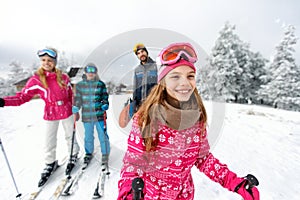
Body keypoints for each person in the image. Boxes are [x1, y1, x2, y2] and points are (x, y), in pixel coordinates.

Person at [117, 42, 260, 200]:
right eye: (175, 76)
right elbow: (132, 165)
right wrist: (127, 194)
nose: (184, 82)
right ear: (162, 82)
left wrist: (236, 183)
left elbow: (203, 158)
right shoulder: (145, 120)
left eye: (190, 76)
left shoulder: (196, 121)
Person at [0, 47, 80, 187]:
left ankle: (73, 154)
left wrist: (75, 109)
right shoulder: (36, 80)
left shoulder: (64, 77)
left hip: (66, 109)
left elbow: (70, 94)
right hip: (51, 111)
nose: (46, 63)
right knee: (49, 140)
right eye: (43, 60)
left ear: (55, 62)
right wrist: (4, 101)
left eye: (49, 60)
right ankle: (50, 163)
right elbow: (22, 97)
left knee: (69, 135)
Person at [72, 63, 110, 166]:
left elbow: (105, 97)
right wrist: (76, 106)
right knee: (88, 136)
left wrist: (105, 104)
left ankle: (105, 153)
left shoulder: (100, 84)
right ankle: (88, 153)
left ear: (95, 73)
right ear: (85, 72)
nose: (91, 73)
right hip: (87, 115)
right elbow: (78, 99)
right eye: (89, 71)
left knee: (102, 135)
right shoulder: (80, 85)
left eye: (93, 71)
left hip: (99, 115)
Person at [131, 43, 158, 116]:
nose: (141, 54)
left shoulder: (156, 66)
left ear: (146, 52)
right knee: (142, 126)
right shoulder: (137, 70)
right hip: (141, 104)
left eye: (142, 51)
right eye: (138, 53)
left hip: (154, 103)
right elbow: (135, 87)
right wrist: (134, 102)